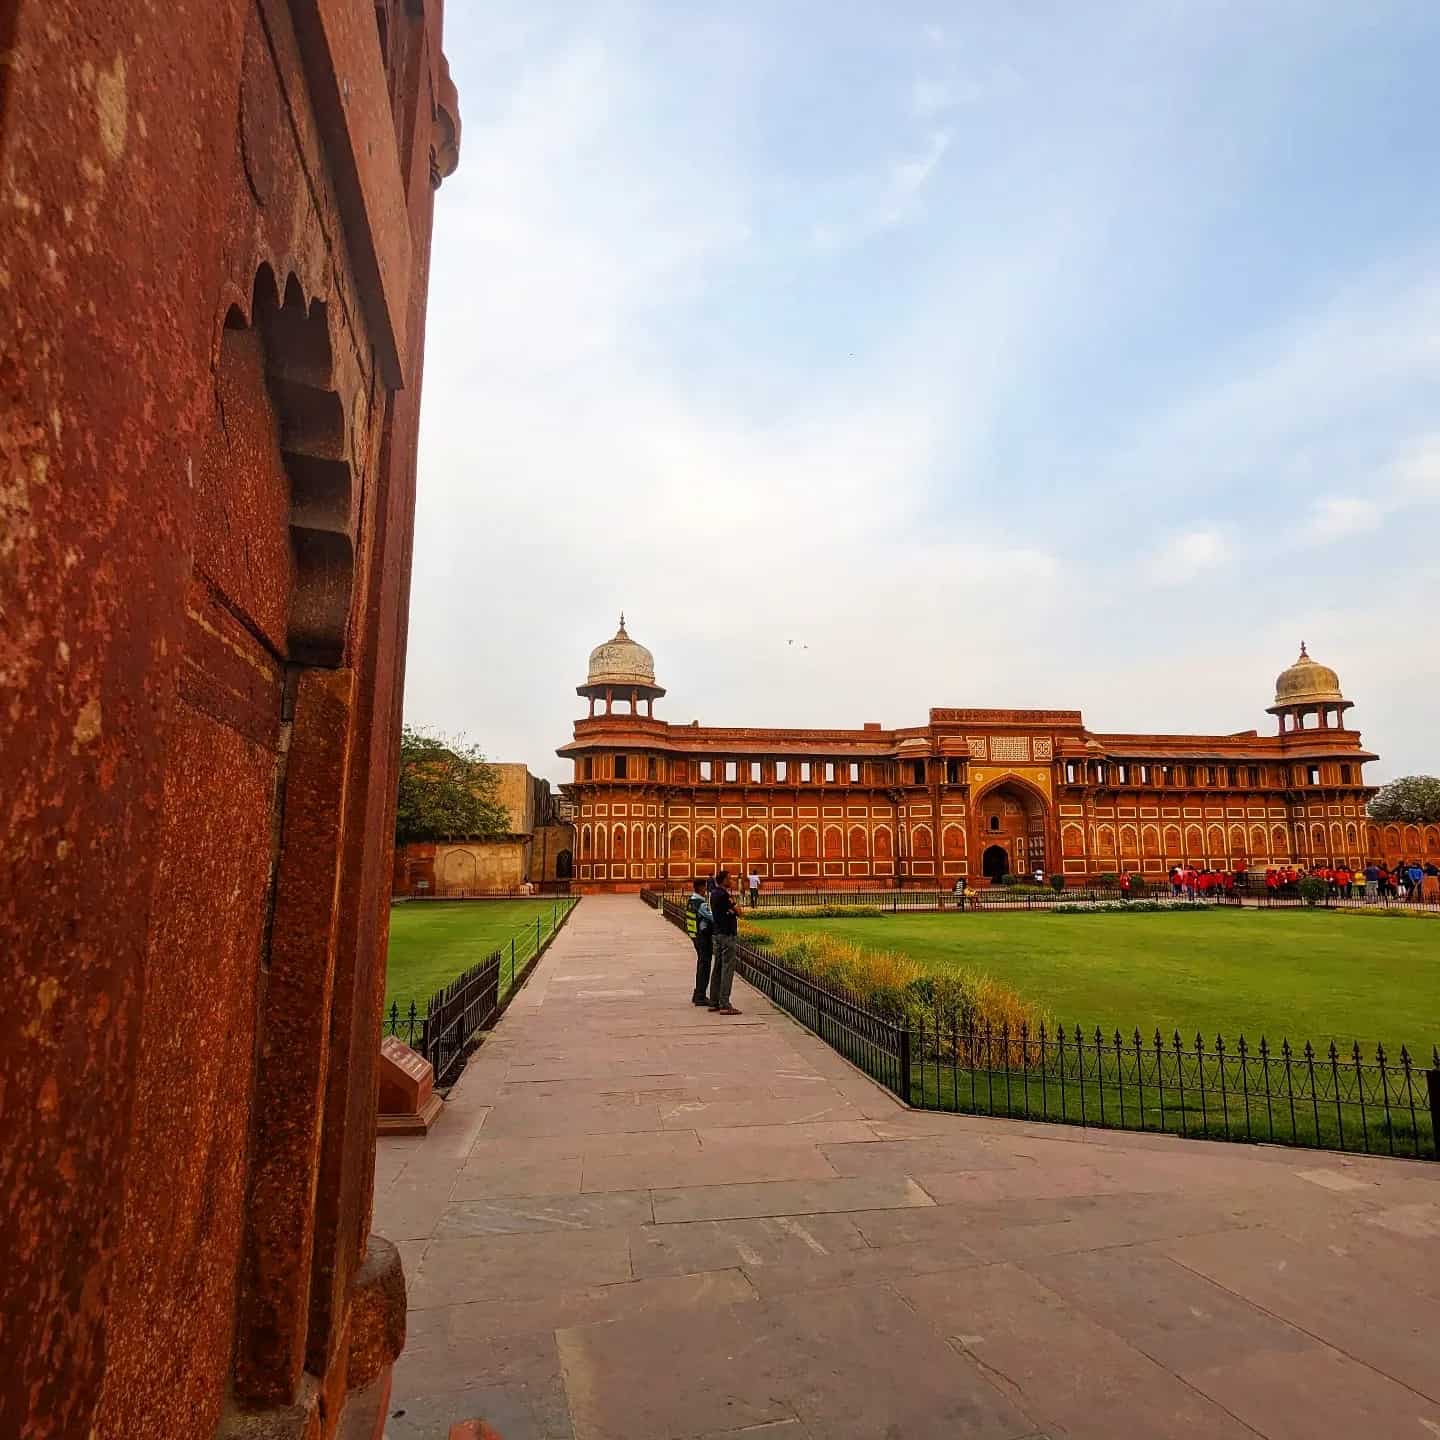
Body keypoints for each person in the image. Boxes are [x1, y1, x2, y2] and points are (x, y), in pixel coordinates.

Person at [707, 869, 741, 1015]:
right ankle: (725, 1004)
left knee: (718, 967)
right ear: (723, 880)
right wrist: (734, 910)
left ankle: (714, 1001)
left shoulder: (713, 894)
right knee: (727, 969)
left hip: (718, 933)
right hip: (727, 934)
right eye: (729, 878)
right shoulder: (723, 894)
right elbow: (739, 911)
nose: (731, 880)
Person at [685, 877, 714, 1007]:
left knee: (701, 965)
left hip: (695, 936)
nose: (707, 889)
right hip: (703, 938)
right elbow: (713, 918)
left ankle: (698, 994)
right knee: (705, 966)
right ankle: (700, 996)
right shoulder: (700, 903)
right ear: (701, 888)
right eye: (705, 887)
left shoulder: (691, 901)